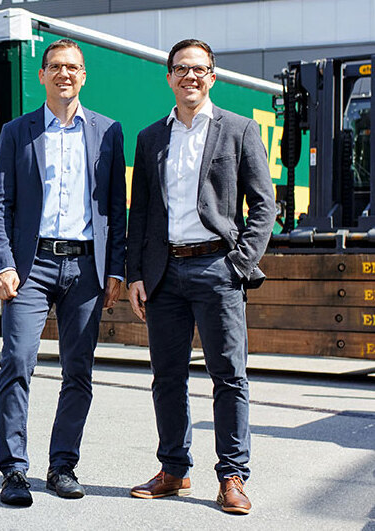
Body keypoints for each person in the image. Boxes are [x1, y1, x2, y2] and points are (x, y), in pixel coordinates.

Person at [125, 39, 274, 514]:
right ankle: (174, 470)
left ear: (212, 76)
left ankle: (232, 476)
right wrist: (135, 273)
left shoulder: (239, 129)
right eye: (181, 69)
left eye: (199, 69)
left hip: (217, 268)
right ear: (169, 76)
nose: (190, 76)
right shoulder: (151, 137)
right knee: (167, 377)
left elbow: (264, 205)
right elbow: (140, 211)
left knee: (228, 377)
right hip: (164, 272)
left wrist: (239, 264)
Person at [0, 38, 126, 507]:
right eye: (56, 67)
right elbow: (2, 203)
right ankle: (14, 470)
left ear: (83, 76)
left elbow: (116, 208)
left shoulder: (108, 131)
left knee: (79, 370)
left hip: (86, 267)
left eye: (73, 67)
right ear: (43, 74)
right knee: (17, 362)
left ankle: (62, 466)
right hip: (32, 265)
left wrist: (115, 269)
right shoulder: (17, 131)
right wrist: (4, 262)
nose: (65, 73)